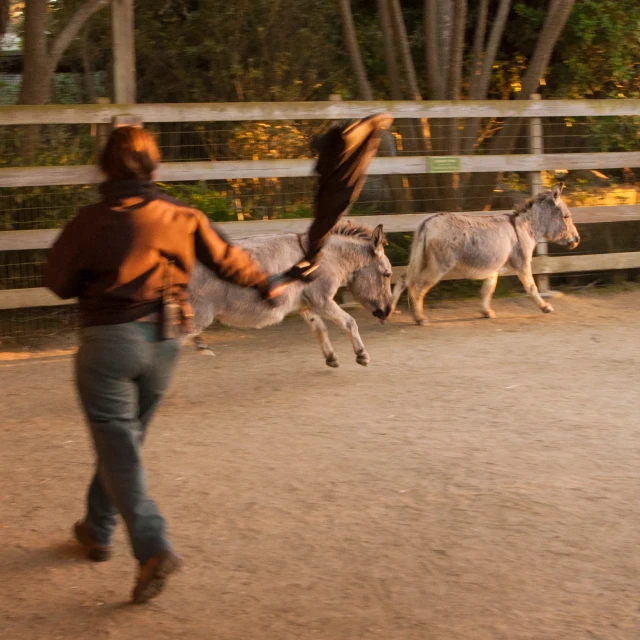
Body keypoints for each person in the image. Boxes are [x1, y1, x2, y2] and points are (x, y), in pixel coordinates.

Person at [45, 125, 281, 604]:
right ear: (154, 166)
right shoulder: (182, 216)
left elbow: (58, 281)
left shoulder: (90, 221)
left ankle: (153, 547)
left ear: (104, 167)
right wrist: (267, 283)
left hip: (109, 344)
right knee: (122, 446)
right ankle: (96, 527)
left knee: (118, 445)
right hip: (166, 343)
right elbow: (230, 260)